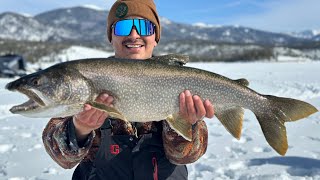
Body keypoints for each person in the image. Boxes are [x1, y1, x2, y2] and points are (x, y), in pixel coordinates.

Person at [42, 0, 214, 179]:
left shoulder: (179, 81)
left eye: (144, 27)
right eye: (123, 27)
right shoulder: (87, 78)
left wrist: (185, 123)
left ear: (155, 37)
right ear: (111, 37)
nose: (134, 34)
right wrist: (79, 128)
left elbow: (186, 156)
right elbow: (60, 157)